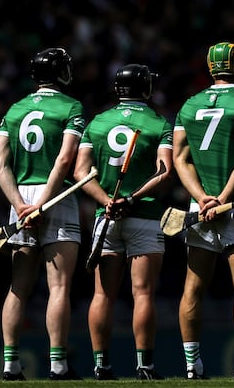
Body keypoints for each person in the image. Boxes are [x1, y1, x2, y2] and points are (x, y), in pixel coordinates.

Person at [173, 42, 234, 380]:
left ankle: (191, 366)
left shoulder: (189, 104)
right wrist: (223, 197)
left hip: (198, 208)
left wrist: (201, 198)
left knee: (192, 288)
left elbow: (179, 159)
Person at [74, 63, 175, 381]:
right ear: (145, 89)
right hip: (143, 216)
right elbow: (164, 172)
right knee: (143, 293)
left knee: (103, 294)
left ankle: (101, 366)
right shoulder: (159, 123)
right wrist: (130, 200)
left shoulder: (98, 122)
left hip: (106, 220)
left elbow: (80, 173)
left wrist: (106, 201)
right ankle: (144, 366)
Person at [0, 48, 85, 380]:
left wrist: (19, 205)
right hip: (54, 196)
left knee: (18, 285)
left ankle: (10, 364)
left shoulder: (14, 110)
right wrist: (43, 202)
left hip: (19, 198)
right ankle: (58, 364)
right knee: (58, 286)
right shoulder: (71, 107)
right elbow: (63, 161)